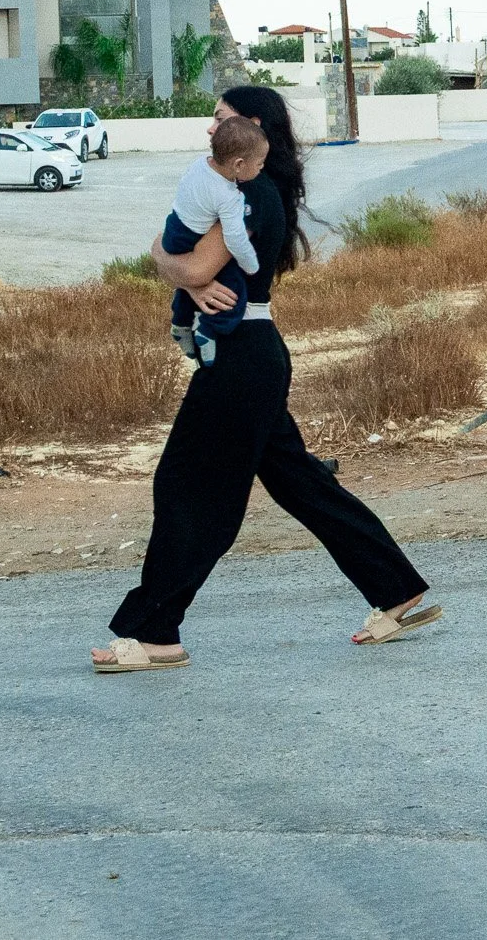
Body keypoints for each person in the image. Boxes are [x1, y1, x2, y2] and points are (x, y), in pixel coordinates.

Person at [91, 85, 440, 673]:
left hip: (242, 358)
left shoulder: (252, 195)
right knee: (301, 483)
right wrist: (181, 271)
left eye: (221, 118)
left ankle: (155, 633)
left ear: (251, 127)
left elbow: (184, 259)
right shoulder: (243, 190)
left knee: (190, 487)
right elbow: (169, 251)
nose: (210, 128)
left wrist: (182, 274)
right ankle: (395, 587)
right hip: (250, 356)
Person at [163, 116, 267, 367]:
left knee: (190, 284)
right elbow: (236, 239)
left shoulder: (199, 165)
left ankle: (180, 323)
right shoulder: (229, 196)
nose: (262, 168)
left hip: (173, 230)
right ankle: (208, 332)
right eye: (260, 163)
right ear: (239, 165)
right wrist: (252, 266)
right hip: (192, 237)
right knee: (232, 290)